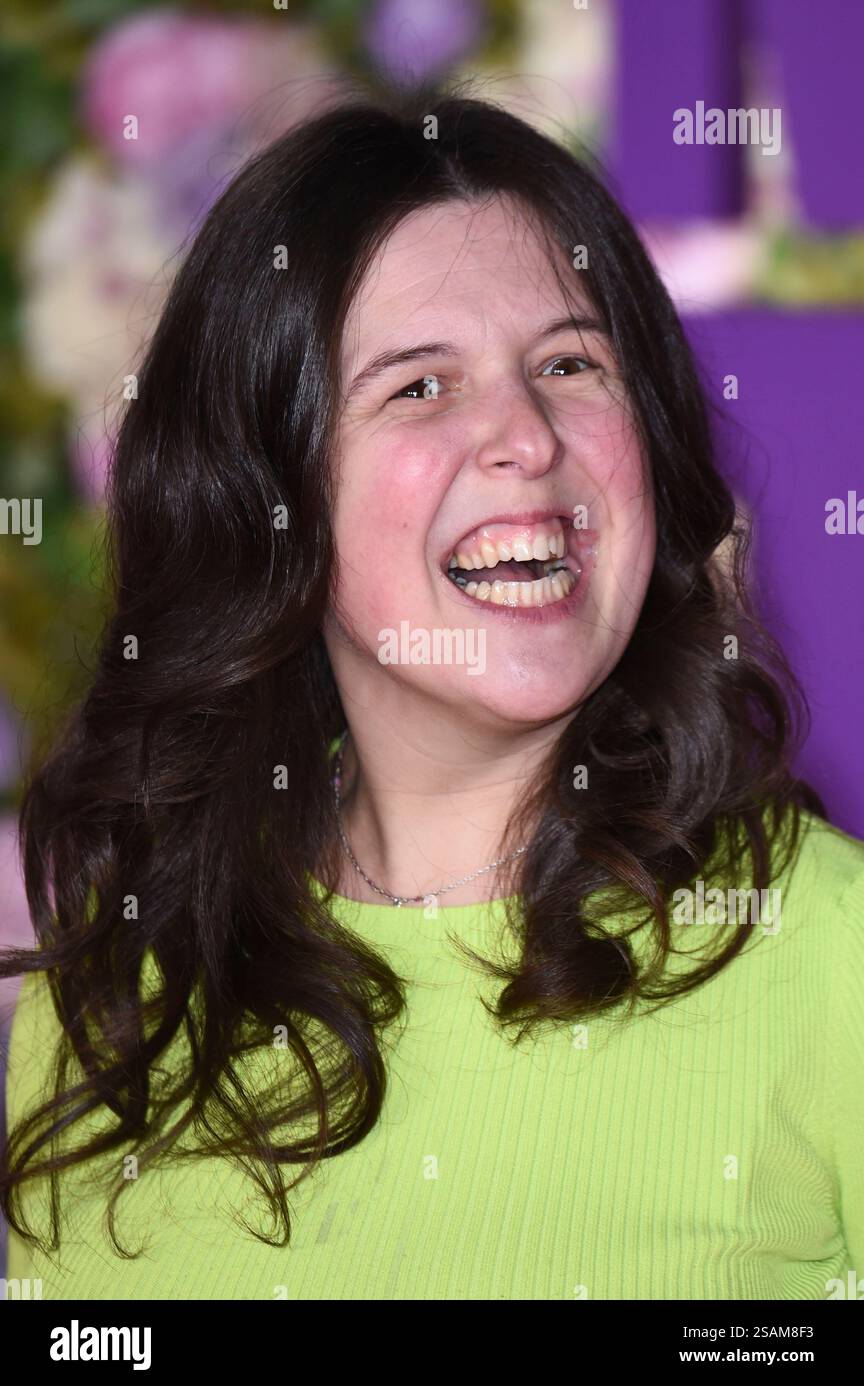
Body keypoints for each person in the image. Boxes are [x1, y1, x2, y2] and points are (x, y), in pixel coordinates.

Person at [2, 83, 863, 1302]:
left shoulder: (835, 958)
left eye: (570, 363)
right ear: (269, 494)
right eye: (420, 384)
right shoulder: (115, 1012)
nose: (526, 435)